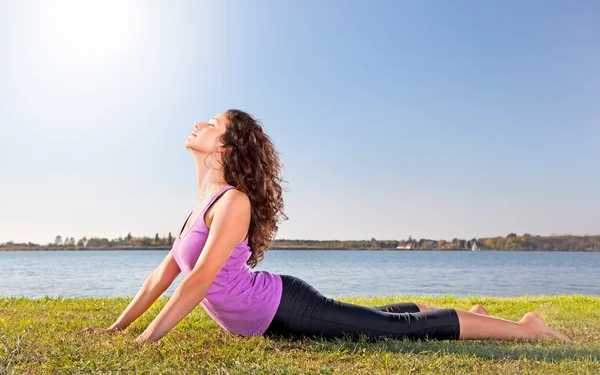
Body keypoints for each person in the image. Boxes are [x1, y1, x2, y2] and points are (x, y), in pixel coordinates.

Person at [83, 109, 572, 344]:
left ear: (226, 147)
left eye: (211, 123)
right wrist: (119, 326)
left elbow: (200, 279)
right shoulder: (199, 205)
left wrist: (149, 340)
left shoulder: (233, 202)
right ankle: (471, 313)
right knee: (376, 315)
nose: (199, 124)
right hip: (274, 311)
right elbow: (163, 274)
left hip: (283, 308)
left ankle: (527, 329)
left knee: (391, 330)